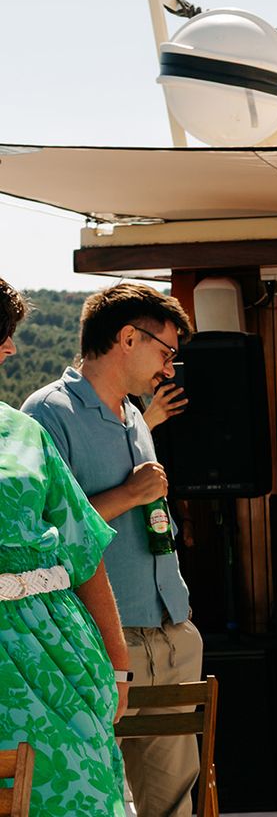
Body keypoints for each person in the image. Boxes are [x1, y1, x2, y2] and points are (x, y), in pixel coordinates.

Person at [22, 283, 203, 817]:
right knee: (102, 799)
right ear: (127, 337)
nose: (169, 369)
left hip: (172, 634)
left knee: (173, 801)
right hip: (103, 643)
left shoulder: (135, 416)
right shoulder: (47, 414)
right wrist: (129, 494)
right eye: (165, 352)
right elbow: (42, 537)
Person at [0, 278, 130, 816]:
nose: (10, 348)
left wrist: (117, 664)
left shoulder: (24, 433)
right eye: (3, 335)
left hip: (62, 658)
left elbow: (83, 548)